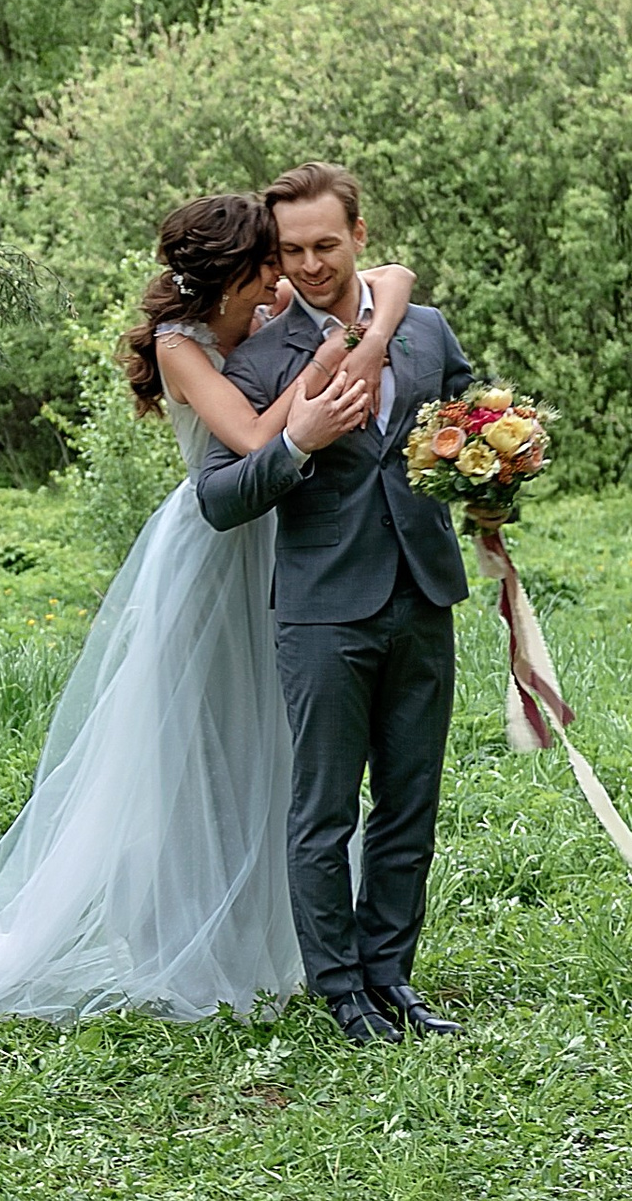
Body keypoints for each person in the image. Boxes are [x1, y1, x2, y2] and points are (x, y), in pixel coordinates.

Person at [0, 191, 409, 1027]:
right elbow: (252, 438)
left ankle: (274, 941)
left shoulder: (273, 300)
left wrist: (371, 330)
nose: (284, 276)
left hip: (283, 542)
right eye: (268, 262)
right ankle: (185, 941)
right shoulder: (181, 343)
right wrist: (329, 362)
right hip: (213, 551)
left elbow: (392, 276)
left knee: (276, 738)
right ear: (235, 271)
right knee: (199, 743)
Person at [192, 163, 473, 1047]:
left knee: (410, 801)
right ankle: (340, 989)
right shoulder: (258, 362)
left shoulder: (423, 330)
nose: (311, 265)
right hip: (321, 613)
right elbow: (218, 498)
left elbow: (464, 420)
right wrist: (298, 443)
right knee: (324, 811)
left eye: (326, 244)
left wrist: (495, 478)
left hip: (422, 594)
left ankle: (392, 976)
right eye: (292, 251)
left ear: (359, 233)